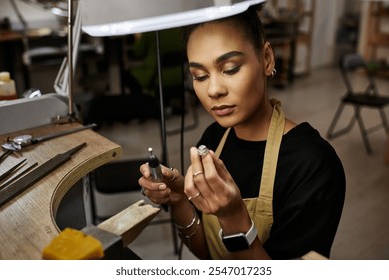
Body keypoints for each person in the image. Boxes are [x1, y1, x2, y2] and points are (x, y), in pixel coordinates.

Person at [138, 4, 345, 260]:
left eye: (230, 68)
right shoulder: (214, 139)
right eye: (199, 75)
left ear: (267, 59)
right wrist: (179, 199)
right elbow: (207, 254)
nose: (214, 90)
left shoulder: (313, 166)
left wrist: (233, 217)